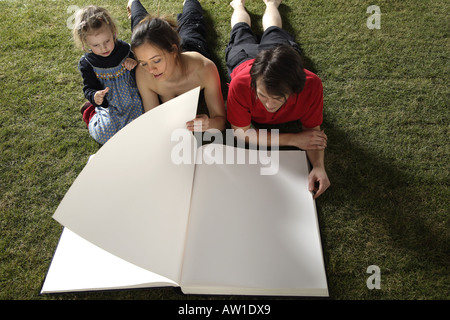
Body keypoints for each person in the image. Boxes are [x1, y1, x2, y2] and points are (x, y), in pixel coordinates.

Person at [226, 0, 330, 198]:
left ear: (295, 89)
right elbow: (241, 133)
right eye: (262, 95)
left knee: (274, 29)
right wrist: (293, 139)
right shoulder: (240, 85)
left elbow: (312, 132)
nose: (268, 104)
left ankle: (271, 4)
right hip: (244, 58)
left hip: (281, 57)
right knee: (240, 30)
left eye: (277, 98)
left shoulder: (312, 85)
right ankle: (238, 5)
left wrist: (318, 166)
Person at [128, 0, 226, 132]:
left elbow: (220, 121)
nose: (151, 70)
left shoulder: (204, 68)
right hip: (157, 43)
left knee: (191, 24)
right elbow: (153, 120)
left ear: (174, 50)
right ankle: (134, 3)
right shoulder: (143, 72)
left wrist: (209, 123)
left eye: (156, 61)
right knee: (141, 27)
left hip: (191, 47)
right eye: (144, 63)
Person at [74, 6, 144, 145]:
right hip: (110, 105)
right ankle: (89, 111)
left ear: (113, 33)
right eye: (96, 45)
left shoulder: (124, 49)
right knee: (105, 135)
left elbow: (141, 74)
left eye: (107, 41)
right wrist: (95, 96)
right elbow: (89, 88)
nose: (103, 48)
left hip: (132, 99)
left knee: (141, 128)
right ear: (85, 43)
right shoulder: (87, 63)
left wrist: (134, 63)